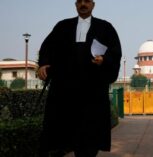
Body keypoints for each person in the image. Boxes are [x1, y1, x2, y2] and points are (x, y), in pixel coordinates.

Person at [37, 0, 122, 156]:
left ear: (93, 4)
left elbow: (115, 52)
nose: (83, 4)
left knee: (90, 141)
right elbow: (47, 47)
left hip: (93, 94)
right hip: (65, 94)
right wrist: (43, 64)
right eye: (80, 1)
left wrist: (104, 59)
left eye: (87, 1)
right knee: (65, 137)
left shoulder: (105, 28)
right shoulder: (62, 26)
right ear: (76, 5)